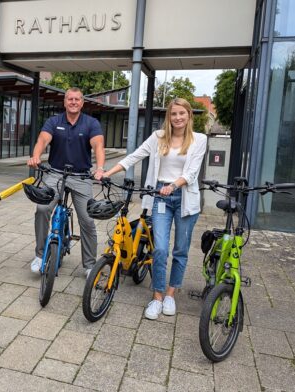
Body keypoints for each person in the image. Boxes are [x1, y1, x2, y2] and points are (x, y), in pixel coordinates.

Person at [100, 97, 207, 320]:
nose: (178, 118)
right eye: (174, 114)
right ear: (169, 116)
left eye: (182, 113)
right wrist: (108, 173)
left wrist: (173, 186)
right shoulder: (158, 137)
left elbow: (192, 173)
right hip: (160, 197)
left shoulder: (199, 140)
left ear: (189, 115)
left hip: (185, 198)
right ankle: (157, 296)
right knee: (159, 248)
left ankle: (171, 293)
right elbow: (135, 155)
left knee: (180, 250)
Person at [27, 87, 106, 277]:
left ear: (82, 103)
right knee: (43, 209)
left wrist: (101, 167)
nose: (73, 102)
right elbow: (42, 140)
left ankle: (89, 265)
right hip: (55, 173)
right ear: (64, 102)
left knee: (87, 219)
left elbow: (98, 145)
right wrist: (36, 156)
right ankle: (40, 255)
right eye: (70, 99)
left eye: (77, 99)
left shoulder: (91, 123)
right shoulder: (54, 121)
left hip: (81, 176)